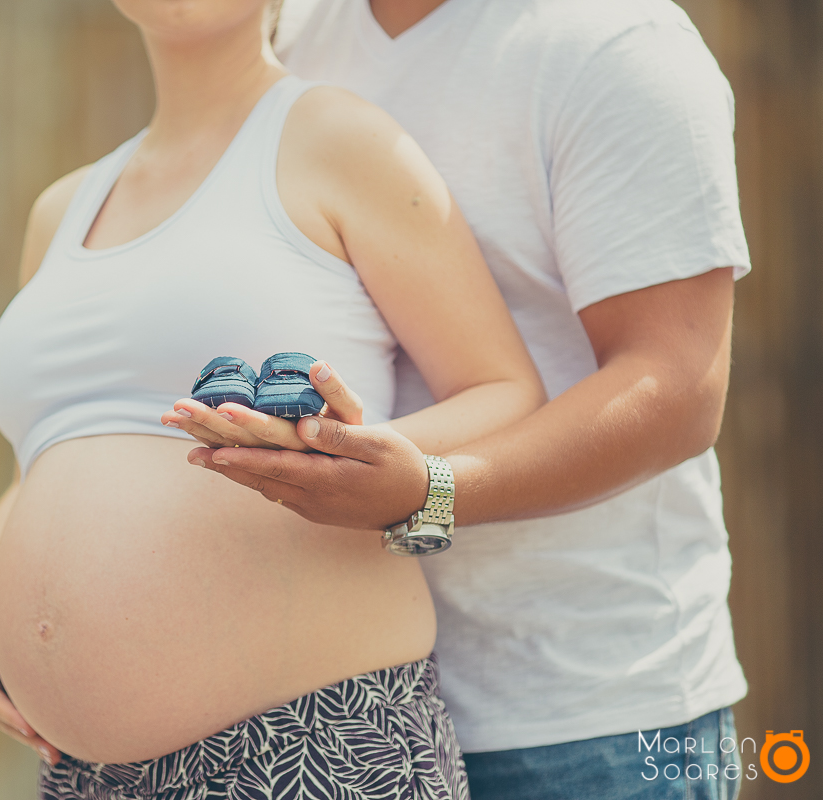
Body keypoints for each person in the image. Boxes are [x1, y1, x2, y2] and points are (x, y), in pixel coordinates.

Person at [0, 1, 547, 798]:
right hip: (84, 774)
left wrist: (353, 461)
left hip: (310, 744)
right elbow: (38, 460)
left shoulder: (340, 141)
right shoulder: (60, 210)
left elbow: (503, 391)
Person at [192, 1, 752, 798]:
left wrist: (428, 493)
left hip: (587, 717)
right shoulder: (291, 33)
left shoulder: (615, 41)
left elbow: (677, 386)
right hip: (345, 718)